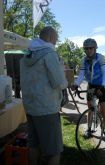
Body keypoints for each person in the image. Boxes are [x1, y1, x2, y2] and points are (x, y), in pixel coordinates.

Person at [20, 26, 68, 165]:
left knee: (33, 145)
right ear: (51, 38)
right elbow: (59, 83)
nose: (56, 43)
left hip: (30, 107)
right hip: (46, 108)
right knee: (54, 151)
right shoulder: (49, 54)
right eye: (56, 39)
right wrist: (62, 69)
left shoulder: (26, 56)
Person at [72, 38, 105, 146]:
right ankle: (89, 129)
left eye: (91, 48)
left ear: (95, 48)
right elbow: (81, 75)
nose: (89, 50)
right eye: (86, 48)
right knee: (90, 109)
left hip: (102, 85)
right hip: (91, 85)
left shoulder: (100, 58)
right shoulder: (83, 60)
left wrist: (103, 86)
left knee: (104, 111)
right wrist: (76, 84)